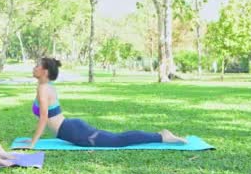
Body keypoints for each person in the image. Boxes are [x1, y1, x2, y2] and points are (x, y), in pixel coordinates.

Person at [20, 57, 188, 149]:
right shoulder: (44, 86)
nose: (34, 68)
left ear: (45, 71)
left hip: (74, 131)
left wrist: (33, 143)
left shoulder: (44, 89)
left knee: (118, 140)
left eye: (37, 66)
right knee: (117, 138)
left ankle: (161, 136)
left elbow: (43, 118)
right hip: (72, 128)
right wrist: (33, 140)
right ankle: (160, 135)